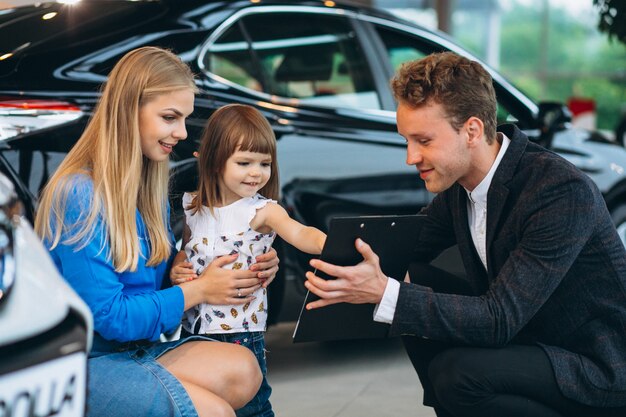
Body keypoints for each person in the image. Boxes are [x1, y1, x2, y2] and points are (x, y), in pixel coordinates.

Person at [304, 51, 626, 417]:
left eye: (423, 141)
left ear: (472, 130)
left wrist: (385, 292)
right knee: (411, 279)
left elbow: (499, 319)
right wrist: (283, 229)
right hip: (533, 340)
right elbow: (393, 248)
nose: (411, 157)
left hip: (597, 368)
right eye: (406, 141)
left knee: (458, 375)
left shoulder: (558, 190)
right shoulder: (461, 189)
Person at [34, 47, 281, 417]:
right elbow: (110, 316)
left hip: (134, 351)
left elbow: (153, 287)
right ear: (128, 109)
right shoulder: (79, 194)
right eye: (169, 117)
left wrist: (196, 267)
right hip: (81, 364)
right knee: (215, 412)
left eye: (184, 119)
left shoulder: (146, 190)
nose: (181, 133)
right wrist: (197, 290)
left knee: (245, 369)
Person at [170, 103, 326, 417]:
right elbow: (186, 248)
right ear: (213, 162)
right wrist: (177, 265)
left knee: (251, 406)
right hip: (192, 328)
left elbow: (301, 234)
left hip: (240, 331)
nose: (256, 172)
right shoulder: (193, 207)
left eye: (264, 163)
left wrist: (332, 244)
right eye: (244, 162)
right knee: (206, 403)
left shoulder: (262, 210)